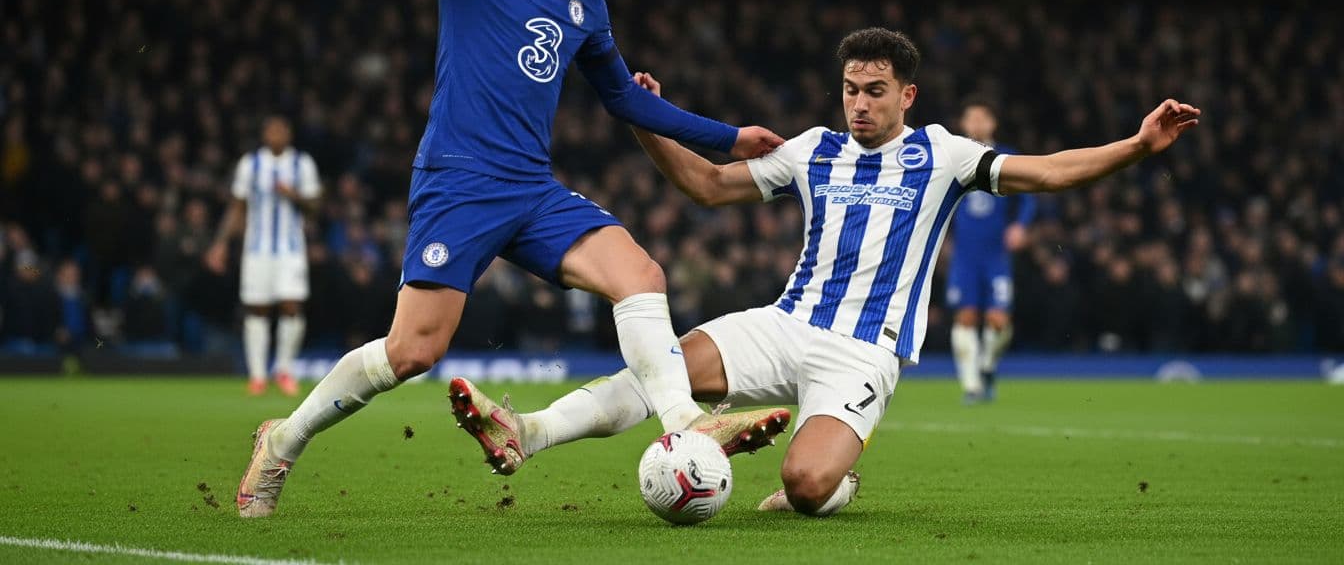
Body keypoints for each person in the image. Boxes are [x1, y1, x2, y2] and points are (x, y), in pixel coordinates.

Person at [235, 0, 787, 518]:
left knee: (641, 275)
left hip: (531, 188)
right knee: (414, 351)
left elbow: (625, 99)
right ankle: (283, 440)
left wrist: (727, 138)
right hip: (460, 183)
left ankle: (685, 420)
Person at [450, 27, 1200, 517]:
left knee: (807, 489)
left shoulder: (944, 154)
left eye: (875, 91)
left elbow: (1048, 173)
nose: (859, 104)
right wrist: (649, 122)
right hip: (782, 324)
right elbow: (708, 186)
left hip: (861, 352)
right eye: (850, 88)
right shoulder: (814, 149)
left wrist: (1134, 146)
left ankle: (833, 473)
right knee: (665, 369)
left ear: (907, 95)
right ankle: (528, 429)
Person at [206, 115, 322, 396]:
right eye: (271, 131)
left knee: (291, 305)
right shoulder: (250, 164)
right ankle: (257, 375)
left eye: (281, 130)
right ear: (264, 134)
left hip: (290, 249)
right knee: (257, 308)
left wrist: (293, 194)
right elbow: (237, 207)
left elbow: (316, 206)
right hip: (256, 249)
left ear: (289, 134)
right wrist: (220, 243)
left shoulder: (302, 163)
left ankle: (284, 370)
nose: (276, 135)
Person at [945, 99, 1035, 403]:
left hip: (996, 254)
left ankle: (987, 367)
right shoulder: (953, 156)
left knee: (999, 321)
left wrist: (1020, 225)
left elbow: (1029, 194)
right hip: (964, 256)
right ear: (963, 124)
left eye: (982, 118)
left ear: (992, 123)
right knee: (966, 317)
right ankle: (971, 386)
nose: (976, 124)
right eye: (970, 118)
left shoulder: (1006, 156)